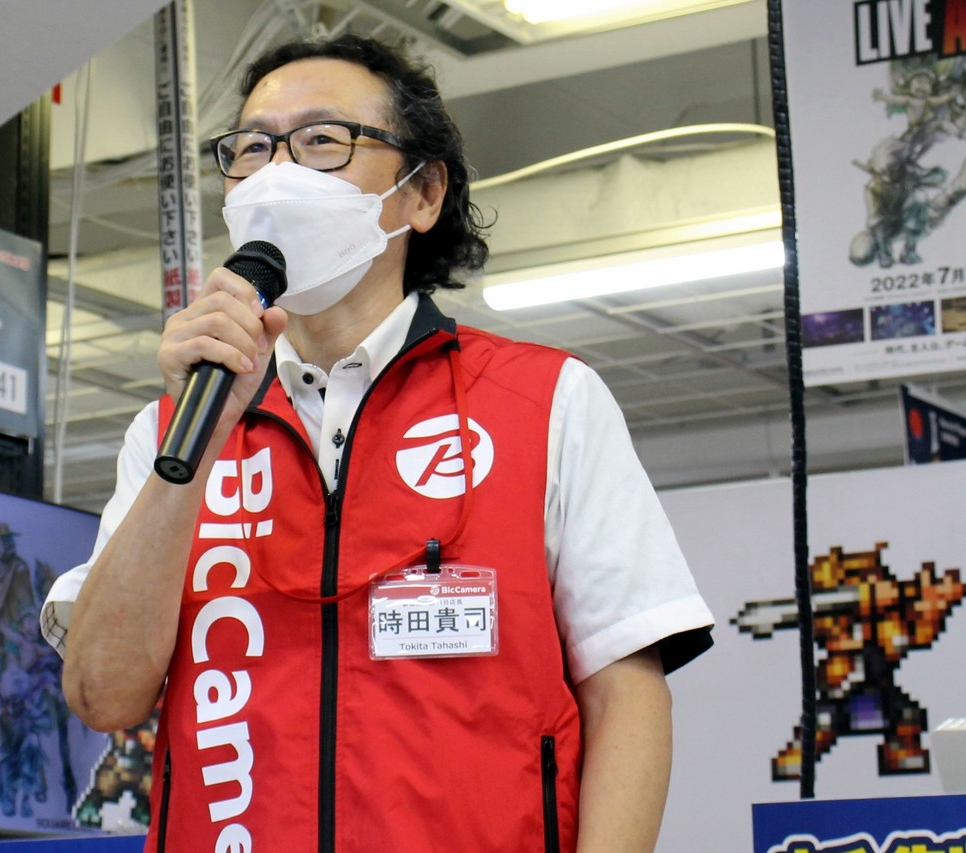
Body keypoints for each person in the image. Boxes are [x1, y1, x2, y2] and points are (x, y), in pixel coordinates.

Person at [41, 32, 714, 852]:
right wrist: (194, 453)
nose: (278, 174)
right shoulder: (171, 430)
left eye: (322, 140)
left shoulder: (546, 404)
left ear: (422, 192)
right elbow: (104, 694)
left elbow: (626, 695)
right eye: (252, 148)